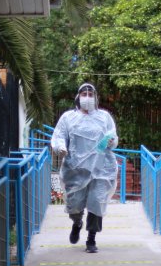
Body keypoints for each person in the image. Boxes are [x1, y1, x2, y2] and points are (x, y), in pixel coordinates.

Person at [50, 83, 119, 253]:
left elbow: (113, 136)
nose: (87, 96)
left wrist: (112, 141)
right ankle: (77, 222)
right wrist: (60, 148)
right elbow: (59, 136)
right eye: (84, 93)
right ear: (78, 97)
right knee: (74, 205)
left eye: (90, 93)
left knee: (97, 203)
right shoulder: (68, 117)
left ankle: (91, 239)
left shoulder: (104, 117)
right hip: (75, 169)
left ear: (95, 97)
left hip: (101, 169)